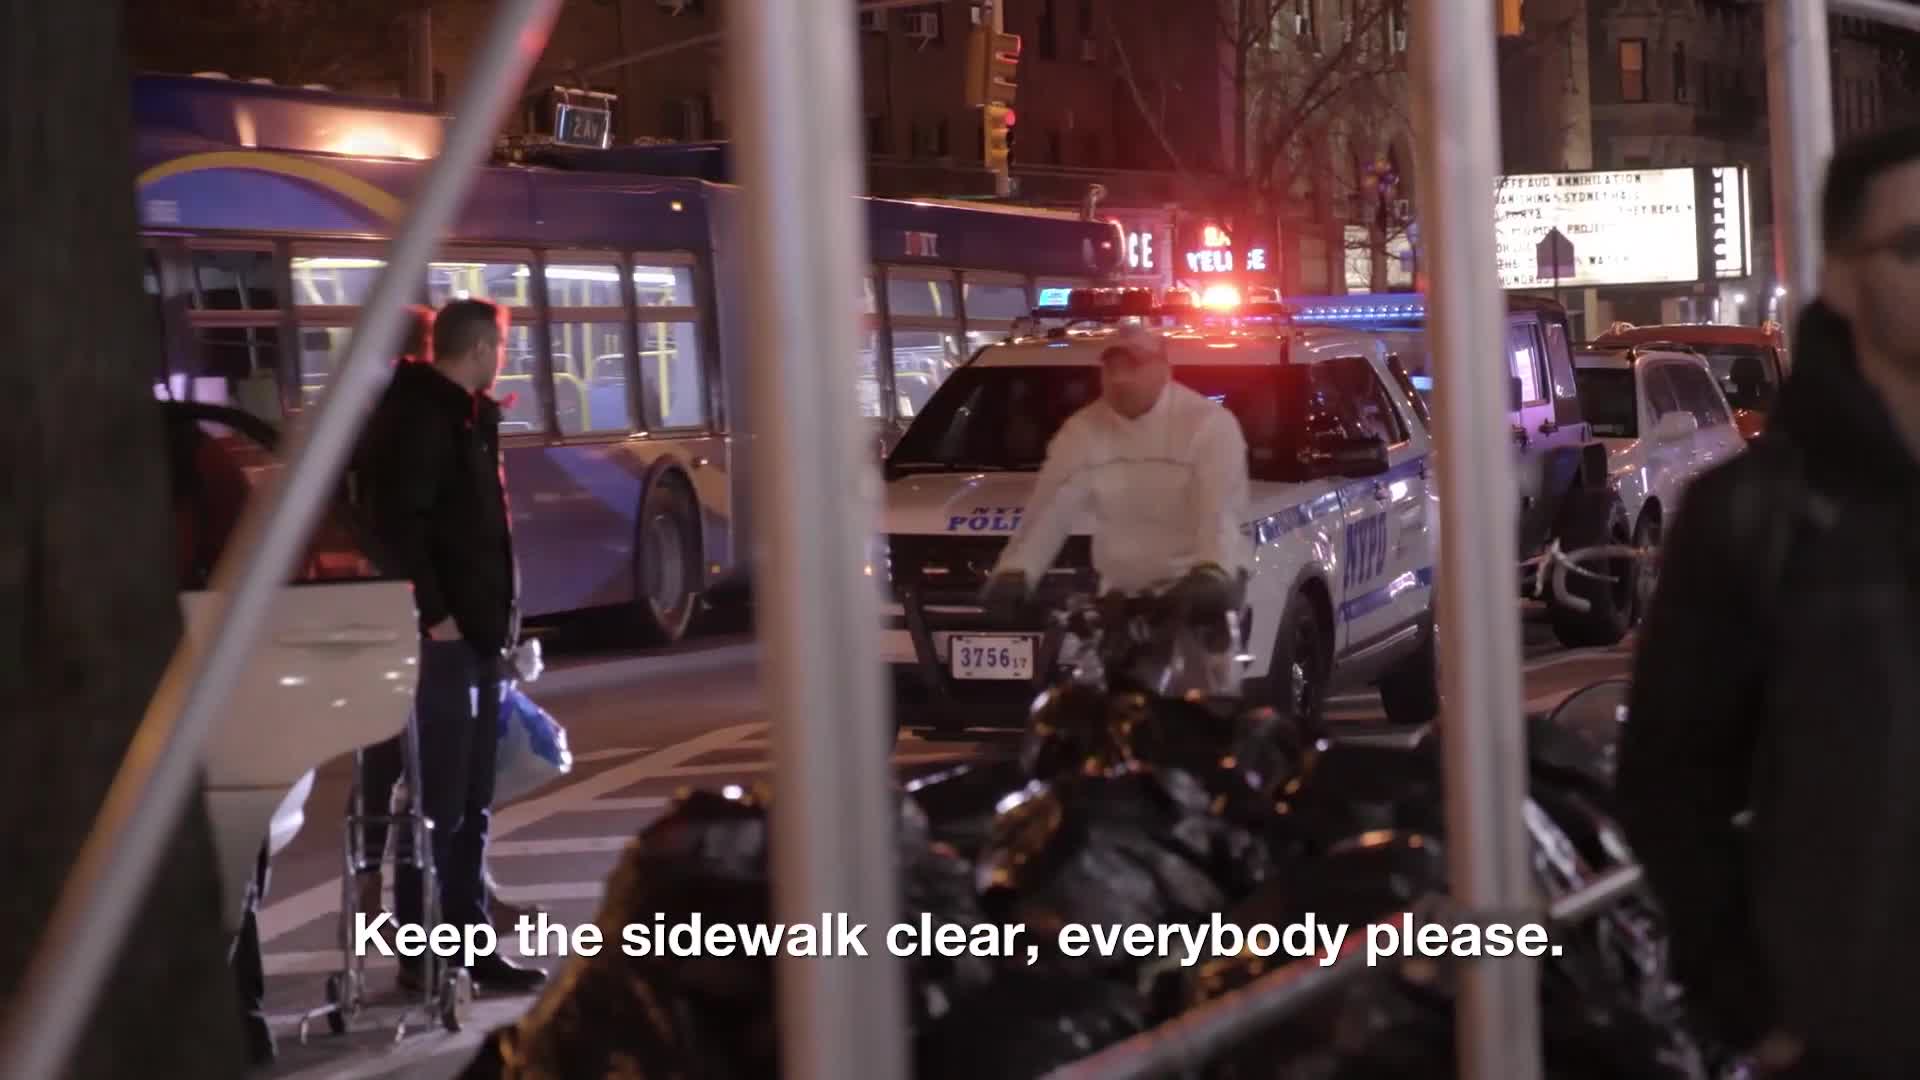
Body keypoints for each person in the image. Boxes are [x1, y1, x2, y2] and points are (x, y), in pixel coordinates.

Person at [1617, 123, 1920, 1078]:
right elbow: (1670, 786)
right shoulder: (1757, 519)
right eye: (1914, 248)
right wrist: (1759, 1014)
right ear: (1841, 276)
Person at [359, 299, 546, 994]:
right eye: (501, 345)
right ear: (478, 349)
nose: (504, 358)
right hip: (444, 643)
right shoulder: (424, 420)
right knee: (439, 805)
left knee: (466, 802)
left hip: (473, 638)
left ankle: (461, 945)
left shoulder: (465, 416)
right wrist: (436, 615)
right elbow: (399, 526)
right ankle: (430, 951)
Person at [980, 324, 1250, 620]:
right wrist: (1017, 571)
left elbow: (1219, 510)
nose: (1120, 379)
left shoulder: (1207, 425)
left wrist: (1213, 569)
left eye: (1132, 366)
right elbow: (1050, 506)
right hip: (1123, 594)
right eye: (1111, 368)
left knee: (1196, 659)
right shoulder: (1084, 431)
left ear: (1163, 369)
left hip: (1200, 589)